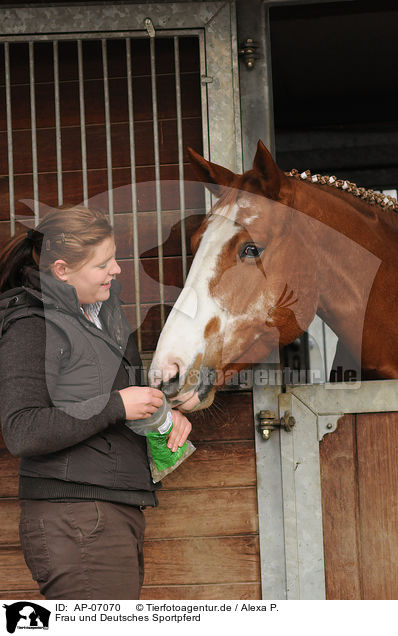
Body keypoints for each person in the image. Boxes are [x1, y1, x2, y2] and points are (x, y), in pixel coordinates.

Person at [0, 204, 192, 600]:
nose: (117, 269)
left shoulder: (102, 314)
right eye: (102, 264)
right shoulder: (32, 327)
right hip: (76, 516)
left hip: (107, 508)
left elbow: (118, 388)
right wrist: (117, 405)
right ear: (62, 271)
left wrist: (163, 411)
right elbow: (22, 430)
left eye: (115, 258)